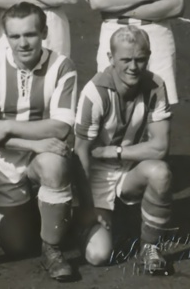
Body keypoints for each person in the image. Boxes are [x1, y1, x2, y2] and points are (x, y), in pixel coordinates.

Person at [0, 2, 78, 281]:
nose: (23, 43)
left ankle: (52, 249)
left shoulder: (62, 66)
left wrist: (8, 125)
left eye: (30, 34)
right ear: (6, 37)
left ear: (44, 32)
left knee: (53, 166)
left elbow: (61, 126)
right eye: (15, 36)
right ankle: (45, 207)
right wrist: (34, 143)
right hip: (6, 162)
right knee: (18, 248)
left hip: (43, 156)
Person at [74, 26, 173, 275]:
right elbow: (80, 154)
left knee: (160, 173)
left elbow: (160, 147)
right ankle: (83, 224)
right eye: (126, 60)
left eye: (140, 59)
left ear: (148, 57)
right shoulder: (95, 92)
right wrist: (88, 208)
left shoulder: (156, 85)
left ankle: (150, 247)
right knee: (98, 255)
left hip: (128, 168)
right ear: (111, 58)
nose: (133, 67)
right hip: (96, 176)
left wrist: (114, 151)